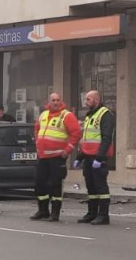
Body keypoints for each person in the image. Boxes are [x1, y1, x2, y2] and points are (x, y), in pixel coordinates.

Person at [30, 92, 81, 222]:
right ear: (49, 101)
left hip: (57, 156)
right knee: (39, 183)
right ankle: (43, 210)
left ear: (61, 101)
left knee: (55, 184)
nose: (56, 102)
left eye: (58, 100)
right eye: (53, 100)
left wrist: (68, 150)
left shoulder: (67, 115)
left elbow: (76, 134)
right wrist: (38, 143)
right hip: (43, 157)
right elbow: (36, 129)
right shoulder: (43, 114)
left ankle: (55, 213)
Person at [75, 90, 115, 226]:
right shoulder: (89, 116)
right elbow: (87, 140)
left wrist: (99, 157)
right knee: (91, 187)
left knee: (101, 187)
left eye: (88, 99)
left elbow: (106, 138)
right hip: (88, 157)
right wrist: (79, 157)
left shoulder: (105, 114)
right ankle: (91, 213)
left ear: (96, 100)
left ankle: (103, 215)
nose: (86, 102)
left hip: (98, 158)